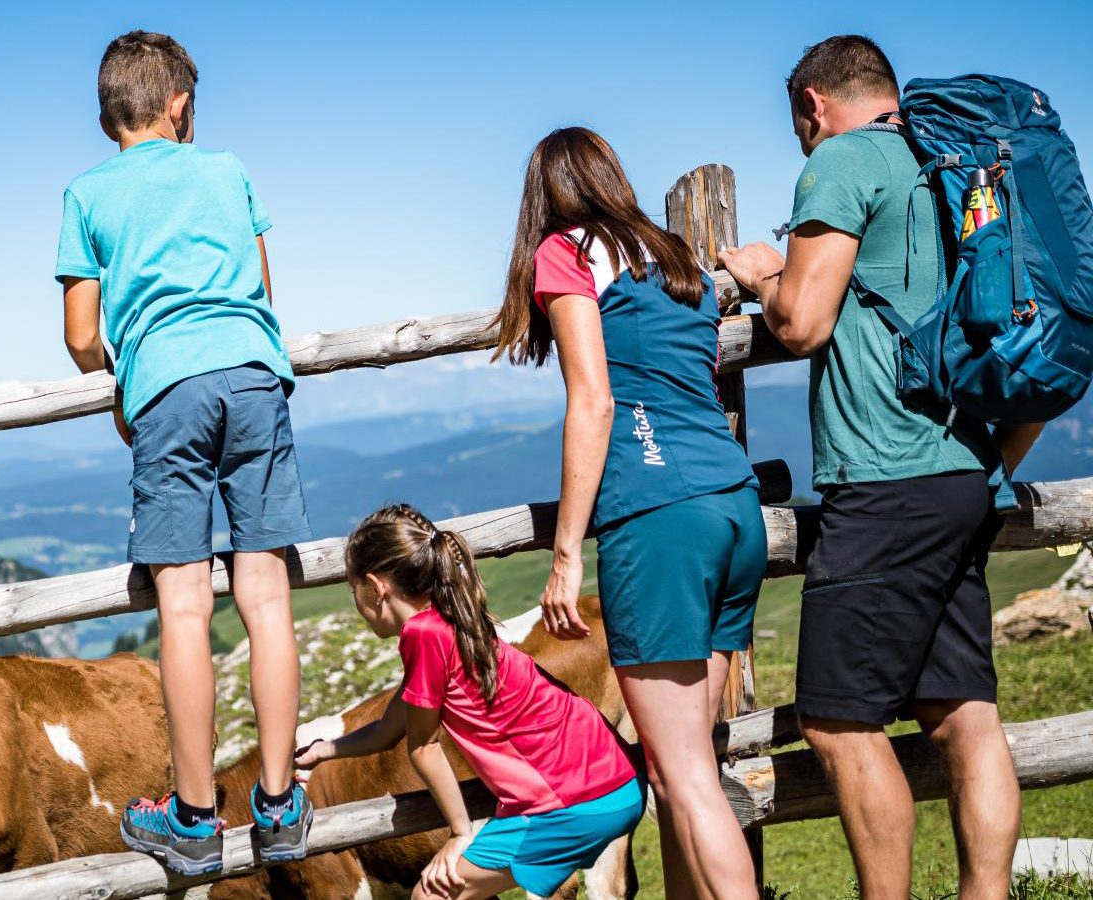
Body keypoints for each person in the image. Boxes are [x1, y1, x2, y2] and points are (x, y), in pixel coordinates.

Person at [719, 35, 1045, 900]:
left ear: (814, 105)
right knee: (965, 716)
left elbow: (804, 322)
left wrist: (762, 271)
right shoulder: (947, 162)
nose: (801, 144)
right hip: (966, 467)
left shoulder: (843, 162)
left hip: (886, 477)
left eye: (800, 128)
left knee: (836, 724)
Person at [55, 30, 313, 875]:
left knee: (185, 609)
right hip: (253, 377)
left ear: (108, 117)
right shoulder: (227, 170)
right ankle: (279, 808)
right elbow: (263, 291)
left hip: (167, 391)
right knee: (266, 595)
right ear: (180, 105)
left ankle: (197, 820)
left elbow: (83, 336)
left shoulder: (87, 195)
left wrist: (124, 378)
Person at [491, 127, 766, 899]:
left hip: (658, 518)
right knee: (691, 767)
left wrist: (567, 552)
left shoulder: (566, 253)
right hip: (732, 506)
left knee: (684, 781)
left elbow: (595, 400)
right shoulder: (679, 260)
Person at [295, 505, 642, 900]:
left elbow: (422, 746)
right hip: (614, 781)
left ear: (376, 587)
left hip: (569, 803)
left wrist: (460, 834)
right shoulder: (452, 621)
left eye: (351, 587)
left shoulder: (422, 637)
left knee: (432, 894)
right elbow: (390, 729)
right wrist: (323, 751)